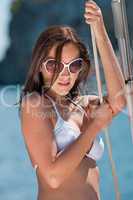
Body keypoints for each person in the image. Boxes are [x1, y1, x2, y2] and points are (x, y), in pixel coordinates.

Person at [19, 1, 126, 199]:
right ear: (39, 66)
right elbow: (53, 177)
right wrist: (94, 126)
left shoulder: (83, 105)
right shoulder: (35, 104)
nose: (65, 75)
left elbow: (119, 100)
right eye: (54, 65)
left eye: (73, 66)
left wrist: (100, 32)